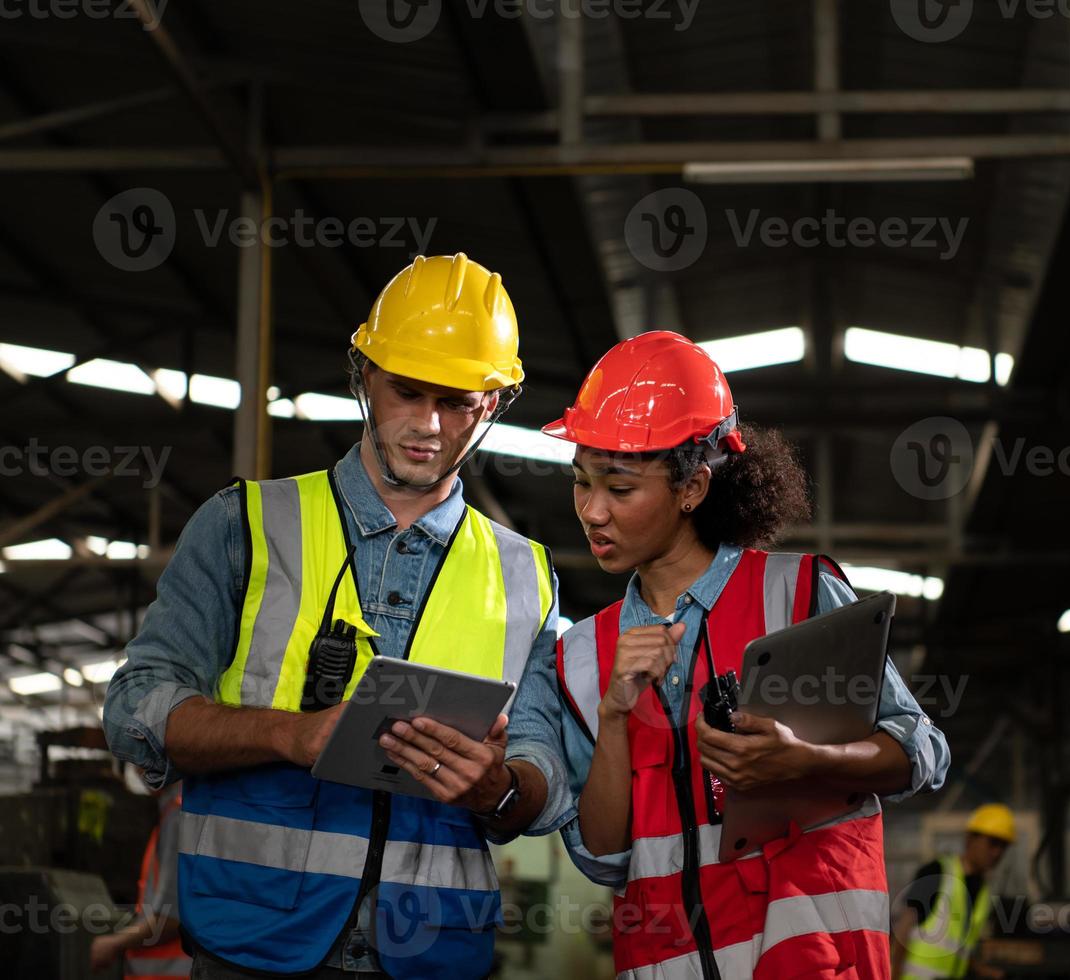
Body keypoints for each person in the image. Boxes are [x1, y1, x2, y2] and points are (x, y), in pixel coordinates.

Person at [103, 254, 564, 980]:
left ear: (495, 405)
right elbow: (134, 711)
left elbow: (547, 772)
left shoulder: (525, 574)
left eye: (457, 404)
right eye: (406, 393)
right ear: (362, 376)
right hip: (250, 942)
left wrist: (500, 789)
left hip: (430, 952)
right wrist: (289, 734)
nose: (429, 426)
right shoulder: (244, 527)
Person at [539, 330, 951, 978]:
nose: (592, 511)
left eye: (619, 490)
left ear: (693, 487)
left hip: (808, 961)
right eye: (581, 482)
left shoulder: (798, 594)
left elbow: (923, 750)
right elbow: (603, 857)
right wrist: (616, 719)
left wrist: (811, 760)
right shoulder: (583, 654)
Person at [893, 803, 1016, 979]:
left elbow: (960, 949)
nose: (997, 853)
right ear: (970, 839)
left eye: (1003, 846)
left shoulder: (983, 890)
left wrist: (985, 972)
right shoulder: (937, 872)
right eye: (993, 843)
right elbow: (902, 932)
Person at [90, 780, 191, 979]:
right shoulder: (174, 813)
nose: (138, 768)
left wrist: (114, 943)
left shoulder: (178, 816)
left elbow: (170, 919)